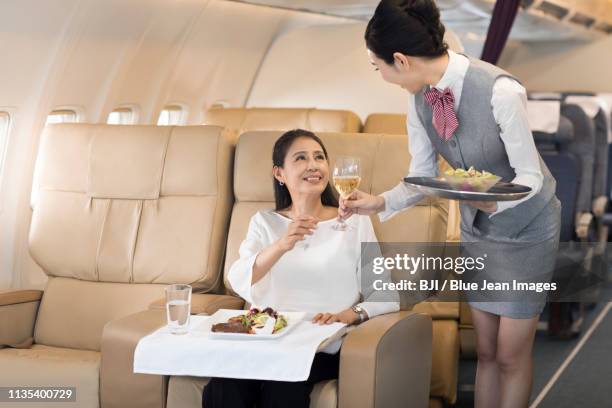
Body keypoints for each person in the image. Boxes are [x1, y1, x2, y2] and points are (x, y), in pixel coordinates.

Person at [339, 1, 561, 407]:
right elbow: (422, 173)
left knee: (511, 354)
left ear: (401, 60)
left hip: (527, 226)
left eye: (379, 67)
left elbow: (529, 175)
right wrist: (378, 202)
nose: (382, 76)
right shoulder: (418, 99)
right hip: (480, 227)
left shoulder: (501, 90)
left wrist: (495, 202)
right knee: (486, 350)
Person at [202, 129, 399, 408]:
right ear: (279, 173)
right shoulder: (264, 223)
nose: (313, 165)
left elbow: (386, 295)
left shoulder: (355, 222)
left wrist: (348, 315)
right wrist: (282, 244)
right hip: (266, 339)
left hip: (321, 343)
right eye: (301, 158)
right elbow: (240, 277)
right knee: (223, 386)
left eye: (319, 157)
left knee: (282, 388)